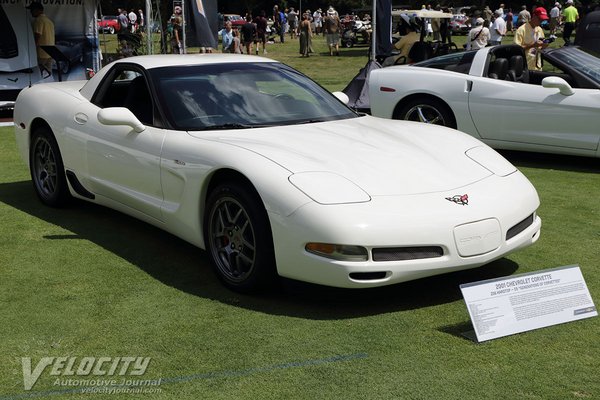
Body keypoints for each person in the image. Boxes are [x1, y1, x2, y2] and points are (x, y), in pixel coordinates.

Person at [26, 1, 54, 79]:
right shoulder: (49, 21)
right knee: (48, 74)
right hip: (50, 52)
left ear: (37, 10)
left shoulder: (38, 20)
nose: (31, 12)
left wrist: (32, 49)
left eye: (31, 10)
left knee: (39, 75)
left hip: (41, 53)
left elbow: (37, 35)